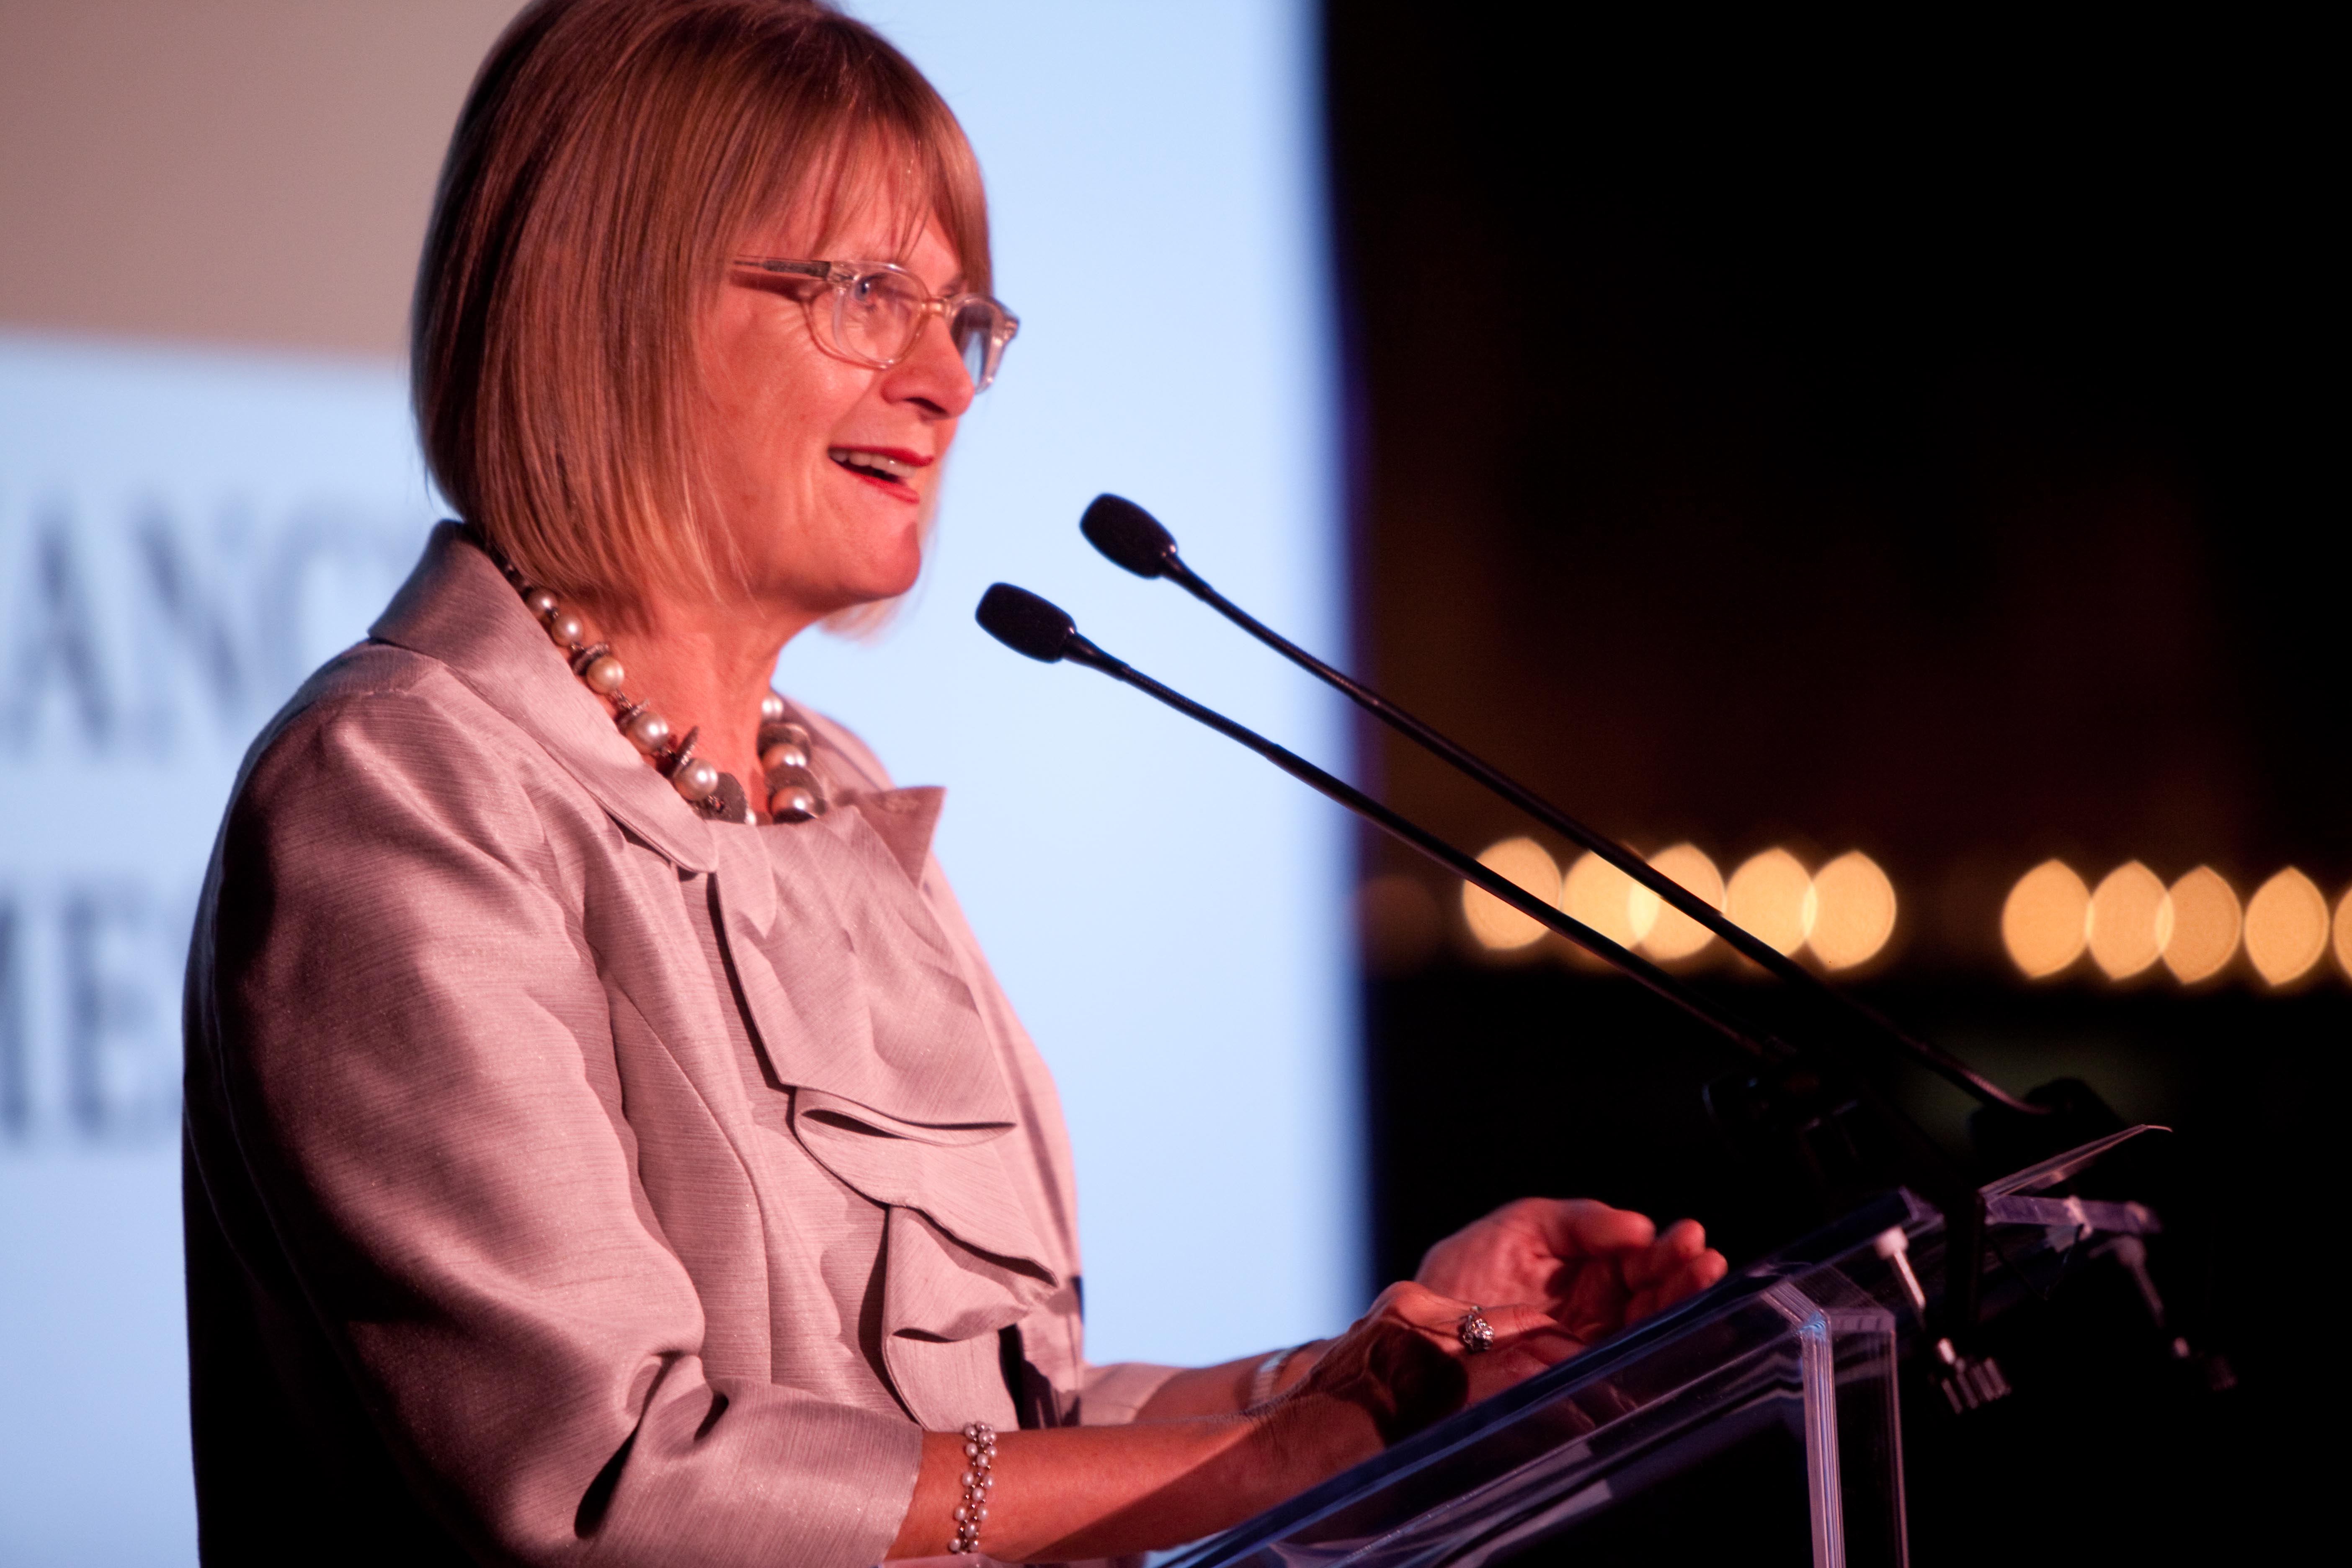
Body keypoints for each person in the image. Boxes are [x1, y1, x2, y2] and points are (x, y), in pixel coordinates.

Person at [179, 3, 1728, 1563]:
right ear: (612, 302)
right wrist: (1280, 1458)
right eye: (864, 294)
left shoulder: (830, 791)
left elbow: (1005, 1437)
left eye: (960, 316)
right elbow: (612, 1493)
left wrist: (1383, 1371)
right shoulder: (399, 792)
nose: (947, 383)